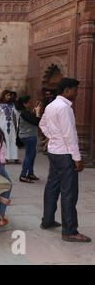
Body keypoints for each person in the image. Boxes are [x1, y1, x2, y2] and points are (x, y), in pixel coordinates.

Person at [39, 78, 91, 243]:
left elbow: (42, 124)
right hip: (65, 154)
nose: (77, 93)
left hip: (55, 152)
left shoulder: (51, 106)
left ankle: (47, 220)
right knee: (69, 193)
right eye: (75, 90)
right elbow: (70, 136)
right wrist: (77, 158)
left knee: (52, 188)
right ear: (67, 90)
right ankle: (69, 231)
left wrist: (51, 137)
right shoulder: (64, 108)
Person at [17, 96, 42, 183]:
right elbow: (36, 121)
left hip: (29, 136)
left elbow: (31, 117)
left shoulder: (24, 112)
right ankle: (23, 175)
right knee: (29, 156)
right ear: (24, 104)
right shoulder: (23, 113)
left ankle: (30, 173)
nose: (29, 104)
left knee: (32, 154)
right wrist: (38, 112)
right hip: (28, 136)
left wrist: (35, 110)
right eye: (28, 102)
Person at [0, 90, 19, 164]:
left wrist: (17, 125)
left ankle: (15, 157)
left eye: (9, 95)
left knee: (13, 140)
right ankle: (5, 157)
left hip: (11, 126)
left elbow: (16, 116)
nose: (9, 97)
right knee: (4, 141)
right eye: (7, 95)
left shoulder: (12, 105)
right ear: (3, 96)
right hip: (2, 126)